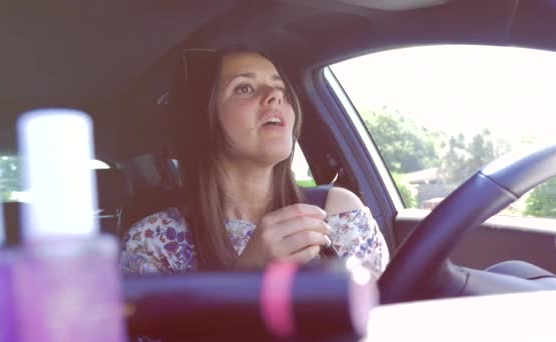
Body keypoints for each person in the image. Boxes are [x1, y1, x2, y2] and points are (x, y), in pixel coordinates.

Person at [120, 48, 389, 278]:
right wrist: (246, 280)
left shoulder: (340, 213)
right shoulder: (152, 242)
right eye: (244, 88)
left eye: (280, 87)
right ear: (203, 120)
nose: (275, 94)